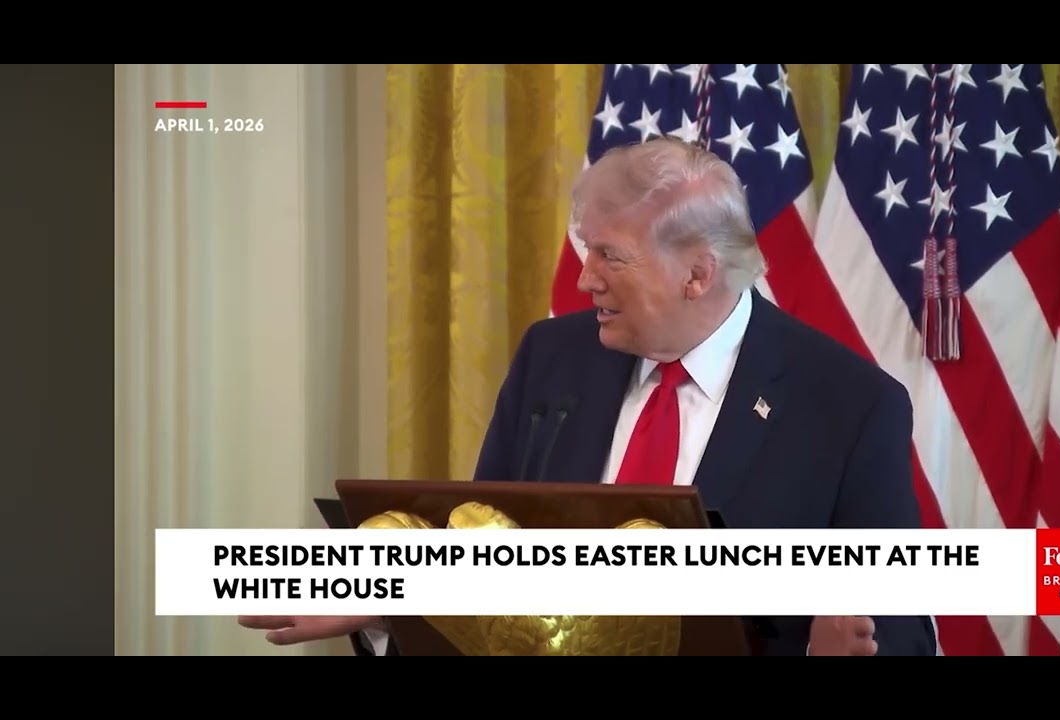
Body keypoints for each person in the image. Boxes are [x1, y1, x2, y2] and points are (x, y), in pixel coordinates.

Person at [240, 136, 937, 657]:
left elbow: (900, 628)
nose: (585, 279)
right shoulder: (551, 359)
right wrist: (390, 601)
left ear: (697, 274)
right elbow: (486, 567)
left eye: (611, 256)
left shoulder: (849, 405)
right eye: (587, 250)